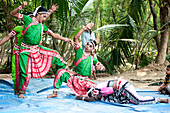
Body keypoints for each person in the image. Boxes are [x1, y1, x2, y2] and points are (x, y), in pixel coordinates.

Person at [10, 1, 73, 98]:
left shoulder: (42, 26)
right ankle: (21, 92)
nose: (45, 18)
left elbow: (54, 35)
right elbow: (12, 14)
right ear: (38, 14)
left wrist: (66, 39)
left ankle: (68, 70)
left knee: (54, 54)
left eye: (45, 16)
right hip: (25, 51)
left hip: (36, 49)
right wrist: (21, 7)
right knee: (26, 74)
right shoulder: (27, 19)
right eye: (44, 16)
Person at [47, 23, 105, 98]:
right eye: (87, 44)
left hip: (85, 82)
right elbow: (76, 37)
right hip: (75, 79)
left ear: (92, 49)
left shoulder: (92, 58)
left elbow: (100, 66)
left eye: (90, 46)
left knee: (97, 88)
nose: (87, 46)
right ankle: (55, 93)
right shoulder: (79, 51)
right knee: (60, 72)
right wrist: (85, 28)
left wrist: (101, 67)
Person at [75, 77, 170, 105]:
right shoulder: (98, 92)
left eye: (93, 95)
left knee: (137, 100)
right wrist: (82, 97)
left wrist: (83, 98)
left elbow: (115, 84)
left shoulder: (99, 88)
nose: (94, 97)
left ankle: (158, 99)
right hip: (120, 91)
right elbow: (92, 99)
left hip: (124, 87)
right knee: (112, 100)